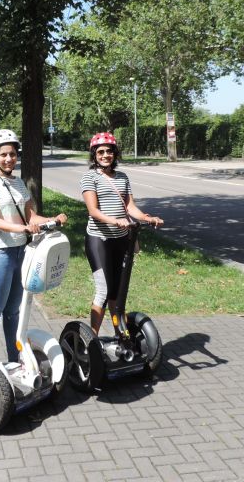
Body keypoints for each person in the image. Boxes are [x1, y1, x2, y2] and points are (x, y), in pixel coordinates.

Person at [0, 129, 68, 363]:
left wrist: (52, 220)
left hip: (19, 252)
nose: (9, 159)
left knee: (13, 312)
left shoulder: (17, 182)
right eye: (4, 154)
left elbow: (30, 216)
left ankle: (14, 360)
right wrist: (24, 229)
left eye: (13, 154)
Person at [80, 132, 164, 335]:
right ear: (94, 155)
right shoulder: (89, 177)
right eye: (100, 152)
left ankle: (120, 334)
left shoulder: (122, 177)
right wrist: (116, 221)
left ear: (115, 154)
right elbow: (93, 211)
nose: (105, 155)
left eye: (109, 151)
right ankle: (92, 340)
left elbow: (130, 207)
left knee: (118, 292)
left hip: (121, 240)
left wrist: (146, 218)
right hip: (98, 240)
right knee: (103, 291)